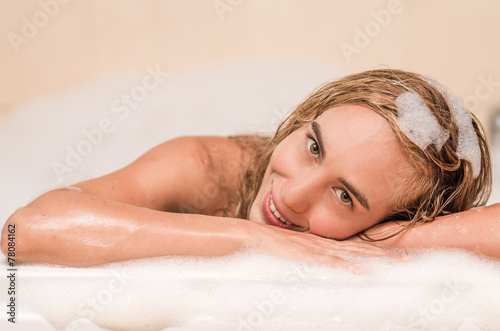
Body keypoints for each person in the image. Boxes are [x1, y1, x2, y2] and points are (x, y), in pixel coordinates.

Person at [1, 69, 498, 268]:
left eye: (345, 196)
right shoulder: (207, 171)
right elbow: (21, 232)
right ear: (303, 118)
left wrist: (397, 242)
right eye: (313, 147)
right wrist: (256, 239)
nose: (293, 195)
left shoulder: (387, 231)